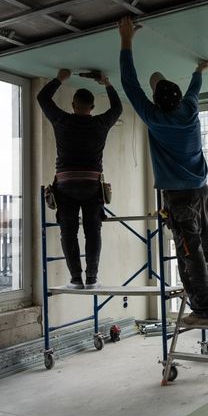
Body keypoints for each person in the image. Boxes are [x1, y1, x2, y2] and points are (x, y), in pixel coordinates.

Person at [117, 15, 208, 326]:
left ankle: (204, 310)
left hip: (179, 198)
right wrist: (198, 71)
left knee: (190, 253)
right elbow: (194, 90)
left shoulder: (154, 117)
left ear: (155, 102)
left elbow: (130, 84)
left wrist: (126, 41)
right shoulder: (189, 110)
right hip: (201, 190)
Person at [37, 68, 123, 289]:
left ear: (73, 105)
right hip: (92, 185)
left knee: (69, 232)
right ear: (92, 107)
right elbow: (117, 108)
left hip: (65, 185)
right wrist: (107, 83)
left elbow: (43, 98)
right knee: (93, 232)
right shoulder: (100, 123)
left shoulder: (62, 120)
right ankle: (92, 278)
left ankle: (76, 279)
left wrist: (60, 78)